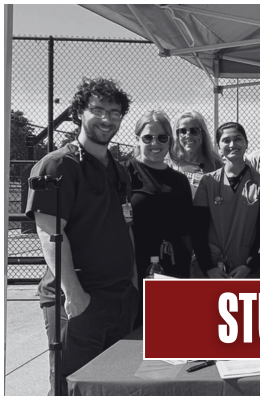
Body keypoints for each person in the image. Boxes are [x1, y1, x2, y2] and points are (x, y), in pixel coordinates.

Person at [25, 78, 138, 395]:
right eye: (98, 110)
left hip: (119, 298)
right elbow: (49, 232)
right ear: (79, 113)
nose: (107, 119)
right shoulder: (57, 164)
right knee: (72, 386)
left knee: (112, 385)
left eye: (115, 112)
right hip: (80, 300)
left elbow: (122, 225)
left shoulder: (116, 167)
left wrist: (131, 282)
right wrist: (73, 293)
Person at [125, 110, 194, 328]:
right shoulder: (124, 173)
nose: (155, 143)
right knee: (133, 338)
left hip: (172, 268)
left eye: (162, 137)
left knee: (168, 334)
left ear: (169, 141)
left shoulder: (180, 180)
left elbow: (187, 229)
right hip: (135, 268)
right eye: (148, 137)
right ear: (137, 139)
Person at [193, 122, 260, 278]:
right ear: (218, 146)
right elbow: (198, 230)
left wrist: (250, 265)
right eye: (226, 140)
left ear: (246, 143)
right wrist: (209, 267)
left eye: (238, 139)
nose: (232, 144)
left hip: (247, 268)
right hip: (214, 267)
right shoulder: (208, 182)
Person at [167, 111, 222, 197]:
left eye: (194, 131)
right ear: (177, 135)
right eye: (183, 131)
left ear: (203, 134)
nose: (188, 135)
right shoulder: (170, 164)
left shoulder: (216, 164)